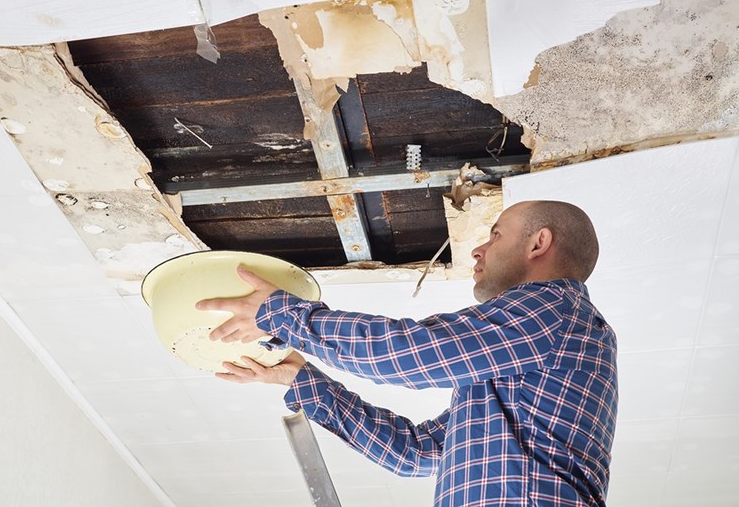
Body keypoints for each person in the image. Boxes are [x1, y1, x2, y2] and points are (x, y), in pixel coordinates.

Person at [195, 200, 618, 507]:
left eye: (495, 234)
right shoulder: (513, 370)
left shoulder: (555, 309)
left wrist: (282, 314)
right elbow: (414, 453)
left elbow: (415, 354)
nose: (477, 250)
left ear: (539, 243)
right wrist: (301, 379)